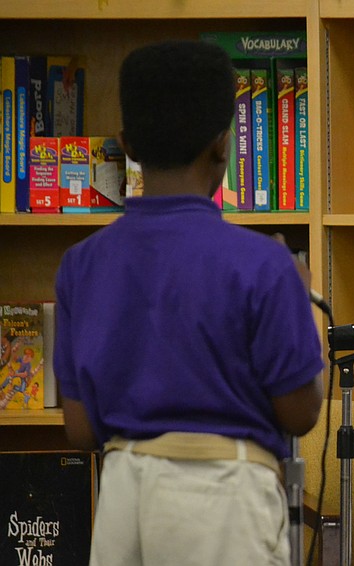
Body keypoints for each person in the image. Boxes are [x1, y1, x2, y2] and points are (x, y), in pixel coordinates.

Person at [53, 40, 325, 566]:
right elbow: (301, 412)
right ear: (225, 145)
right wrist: (300, 297)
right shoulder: (265, 265)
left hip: (121, 492)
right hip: (225, 495)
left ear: (126, 146)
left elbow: (80, 429)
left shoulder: (80, 264)